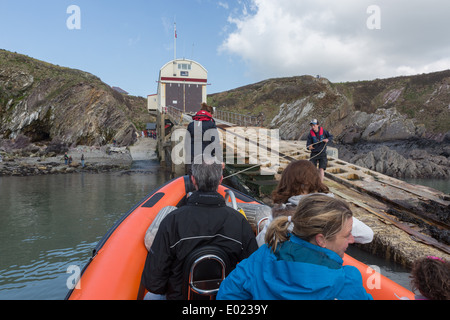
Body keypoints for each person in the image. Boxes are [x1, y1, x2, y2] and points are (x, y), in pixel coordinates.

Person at [142, 156, 258, 300]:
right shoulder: (239, 222)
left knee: (150, 297)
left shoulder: (172, 221)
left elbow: (154, 283)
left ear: (193, 180)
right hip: (224, 297)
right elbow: (254, 272)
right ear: (221, 180)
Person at [217, 194, 373, 300]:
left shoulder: (264, 255)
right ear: (321, 240)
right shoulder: (345, 281)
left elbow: (227, 293)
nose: (352, 240)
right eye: (347, 235)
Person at [256, 160, 373, 246]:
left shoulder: (279, 211)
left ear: (286, 183)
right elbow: (367, 235)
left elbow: (261, 242)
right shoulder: (332, 209)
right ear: (315, 180)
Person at [185, 103, 220, 175]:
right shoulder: (211, 124)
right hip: (206, 156)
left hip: (192, 155)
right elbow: (215, 142)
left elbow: (186, 142)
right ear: (209, 113)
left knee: (192, 176)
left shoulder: (191, 125)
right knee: (205, 176)